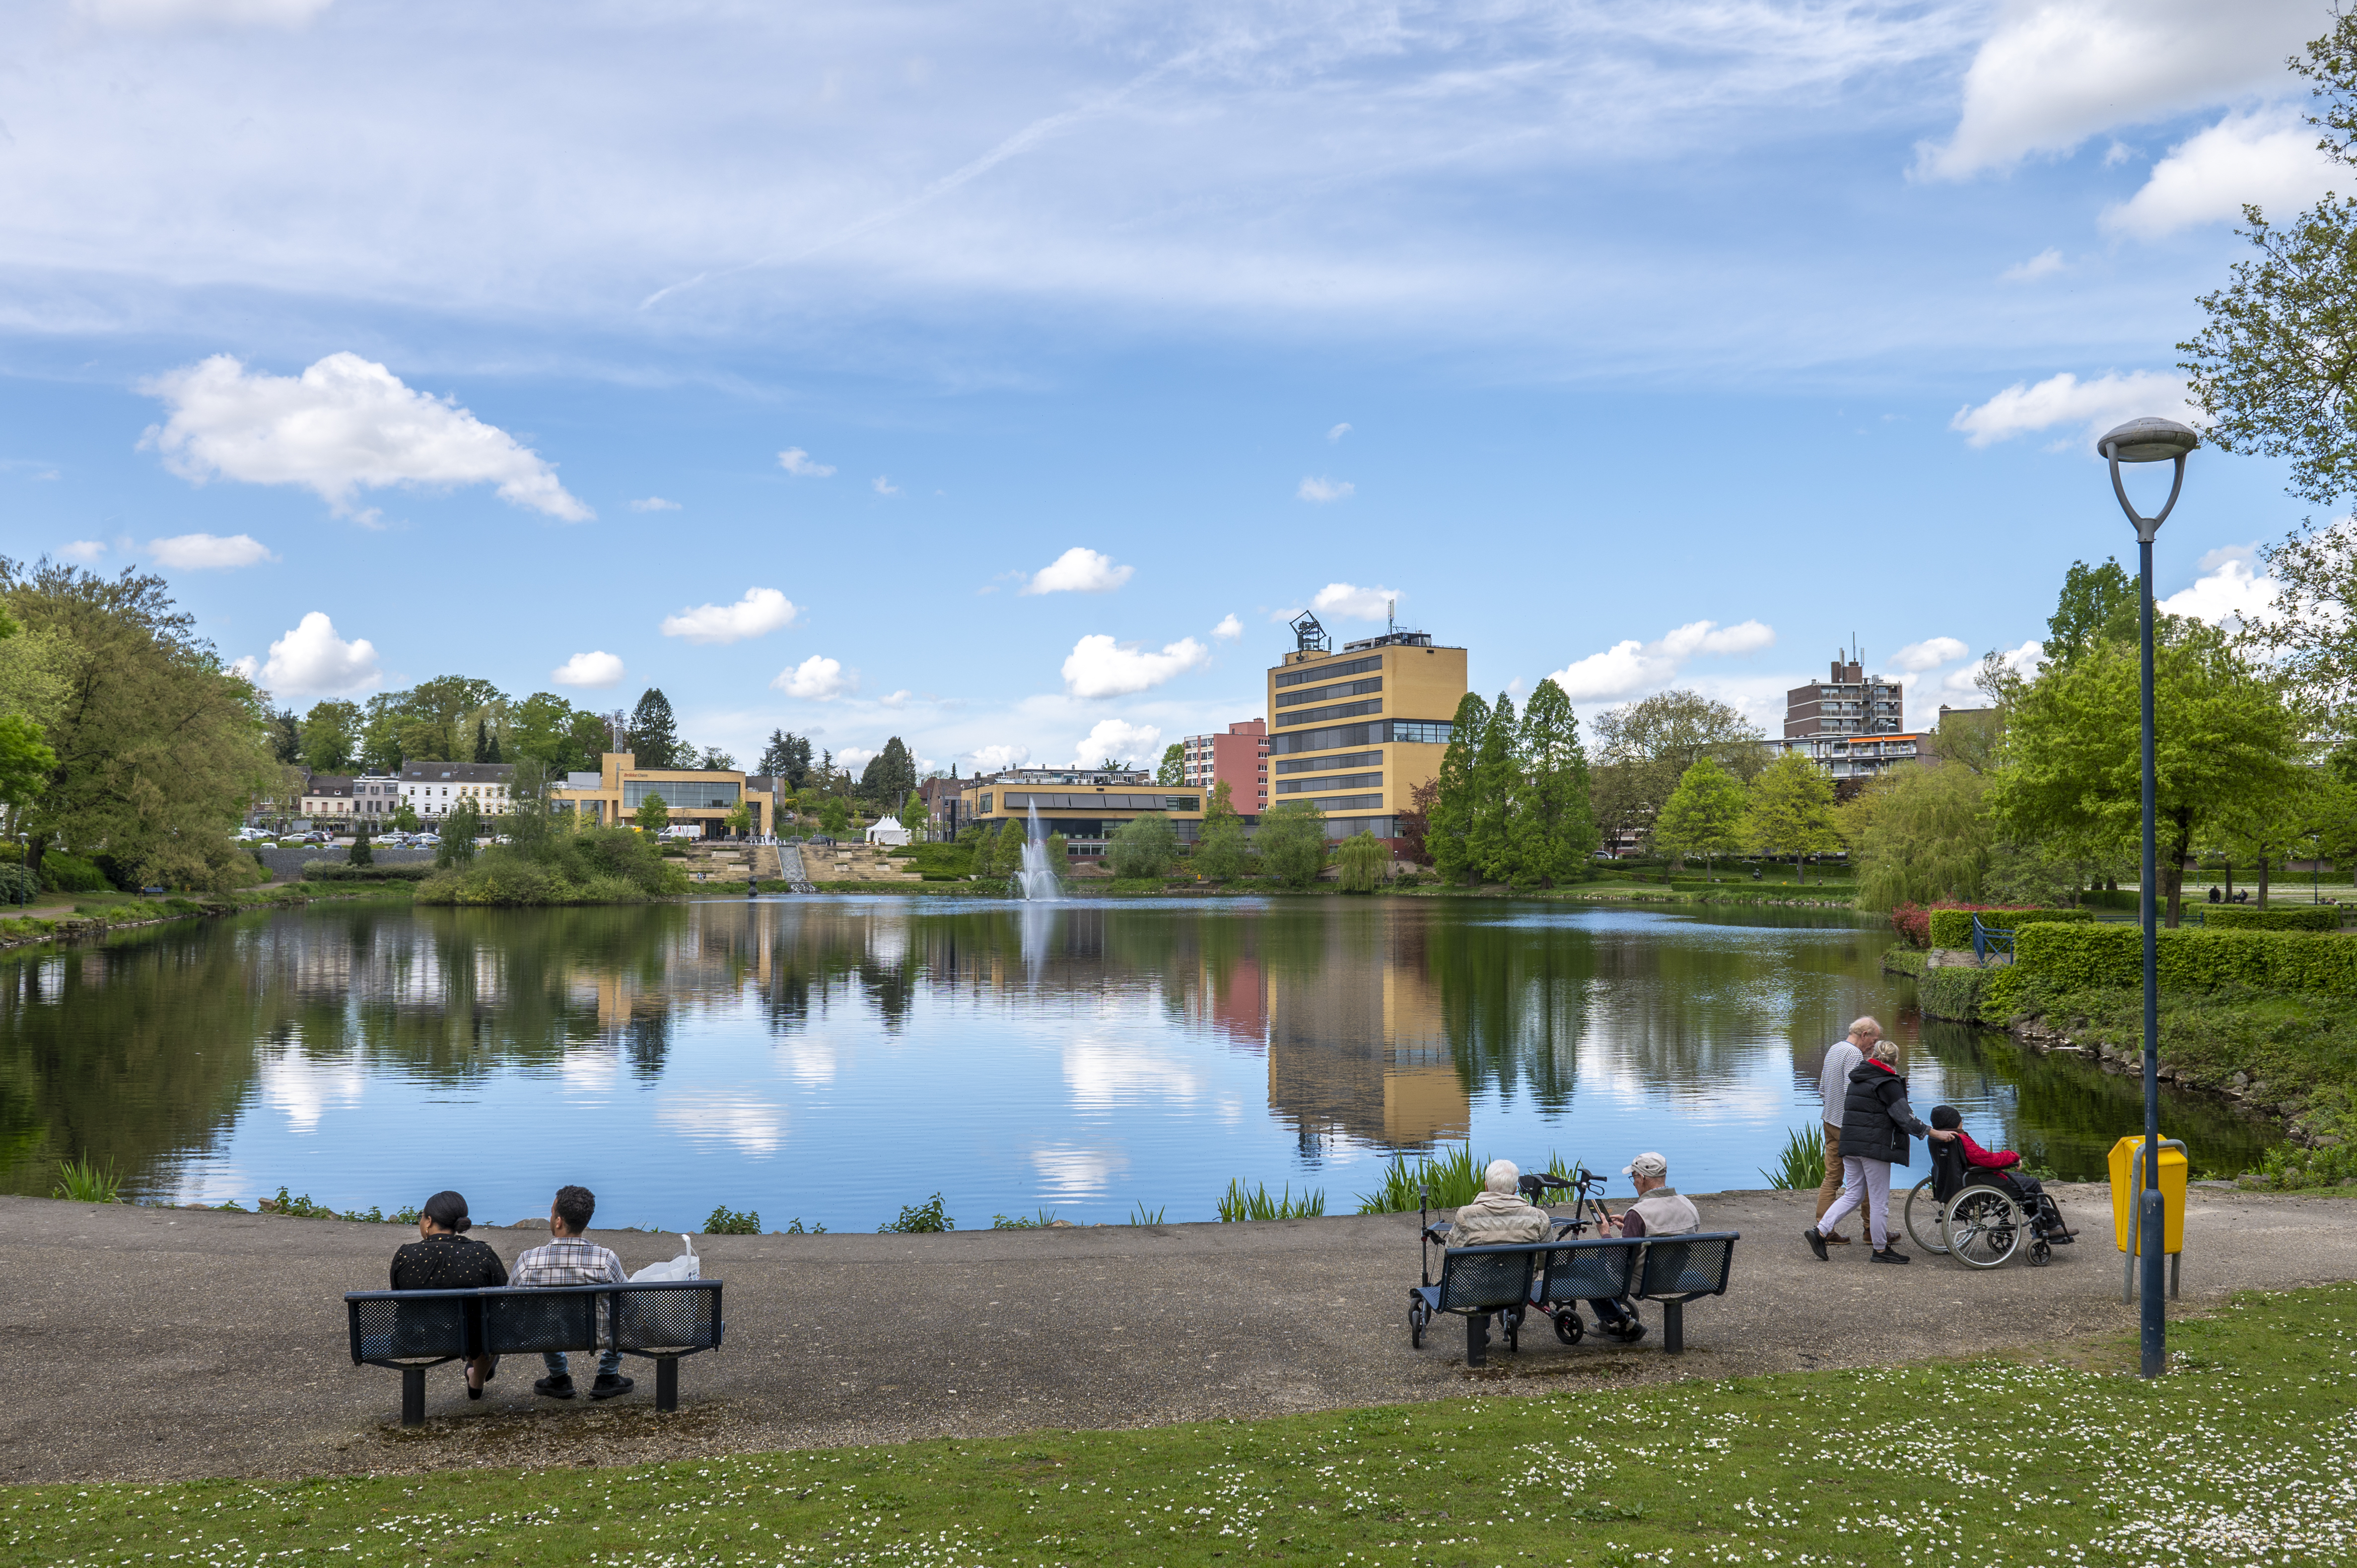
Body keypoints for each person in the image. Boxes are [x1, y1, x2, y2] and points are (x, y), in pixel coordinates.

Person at [1805, 1037, 1953, 1264]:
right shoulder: (1888, 1083)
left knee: (1854, 1194)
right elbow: (1905, 1118)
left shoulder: (1858, 1077)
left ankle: (1821, 1231)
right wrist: (1934, 1133)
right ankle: (1881, 1250)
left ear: (1874, 1056)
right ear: (1895, 1060)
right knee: (1879, 1201)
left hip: (1851, 1143)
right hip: (1873, 1148)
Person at [510, 1184, 635, 1401]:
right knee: (620, 1309)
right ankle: (607, 1376)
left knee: (543, 1316)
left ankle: (559, 1378)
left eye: (551, 1213)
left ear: (558, 1222)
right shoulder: (605, 1260)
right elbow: (629, 1301)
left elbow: (510, 1306)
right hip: (599, 1336)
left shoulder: (527, 1262)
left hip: (547, 1335)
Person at [389, 1190, 507, 1398]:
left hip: (418, 1337)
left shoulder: (405, 1255)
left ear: (429, 1221)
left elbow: (400, 1298)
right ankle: (477, 1378)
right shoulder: (481, 1254)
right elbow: (503, 1297)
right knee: (490, 1327)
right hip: (474, 1339)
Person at [1588, 1152, 1702, 1343]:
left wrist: (1605, 1233)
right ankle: (1615, 1322)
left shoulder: (1639, 1213)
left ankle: (1616, 1320)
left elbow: (1619, 1264)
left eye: (1633, 1177)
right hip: (1677, 1276)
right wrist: (1630, 1228)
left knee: (1589, 1269)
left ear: (1642, 1178)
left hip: (1645, 1281)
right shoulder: (1688, 1205)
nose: (1634, 1183)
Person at [1812, 1018, 1882, 1245]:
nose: (1875, 1044)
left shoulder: (1835, 1048)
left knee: (1832, 1177)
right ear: (1864, 1035)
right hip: (1847, 1127)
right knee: (1870, 1178)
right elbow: (1852, 1093)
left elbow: (1822, 1088)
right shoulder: (1853, 1055)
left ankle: (1824, 1229)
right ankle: (1872, 1230)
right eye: (1874, 1039)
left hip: (1829, 1121)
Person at [1449, 1159, 1552, 1246]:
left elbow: (1452, 1255)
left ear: (1486, 1187)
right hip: (1522, 1270)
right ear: (1515, 1190)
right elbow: (1545, 1261)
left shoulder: (1466, 1217)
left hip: (1481, 1270)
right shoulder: (1539, 1218)